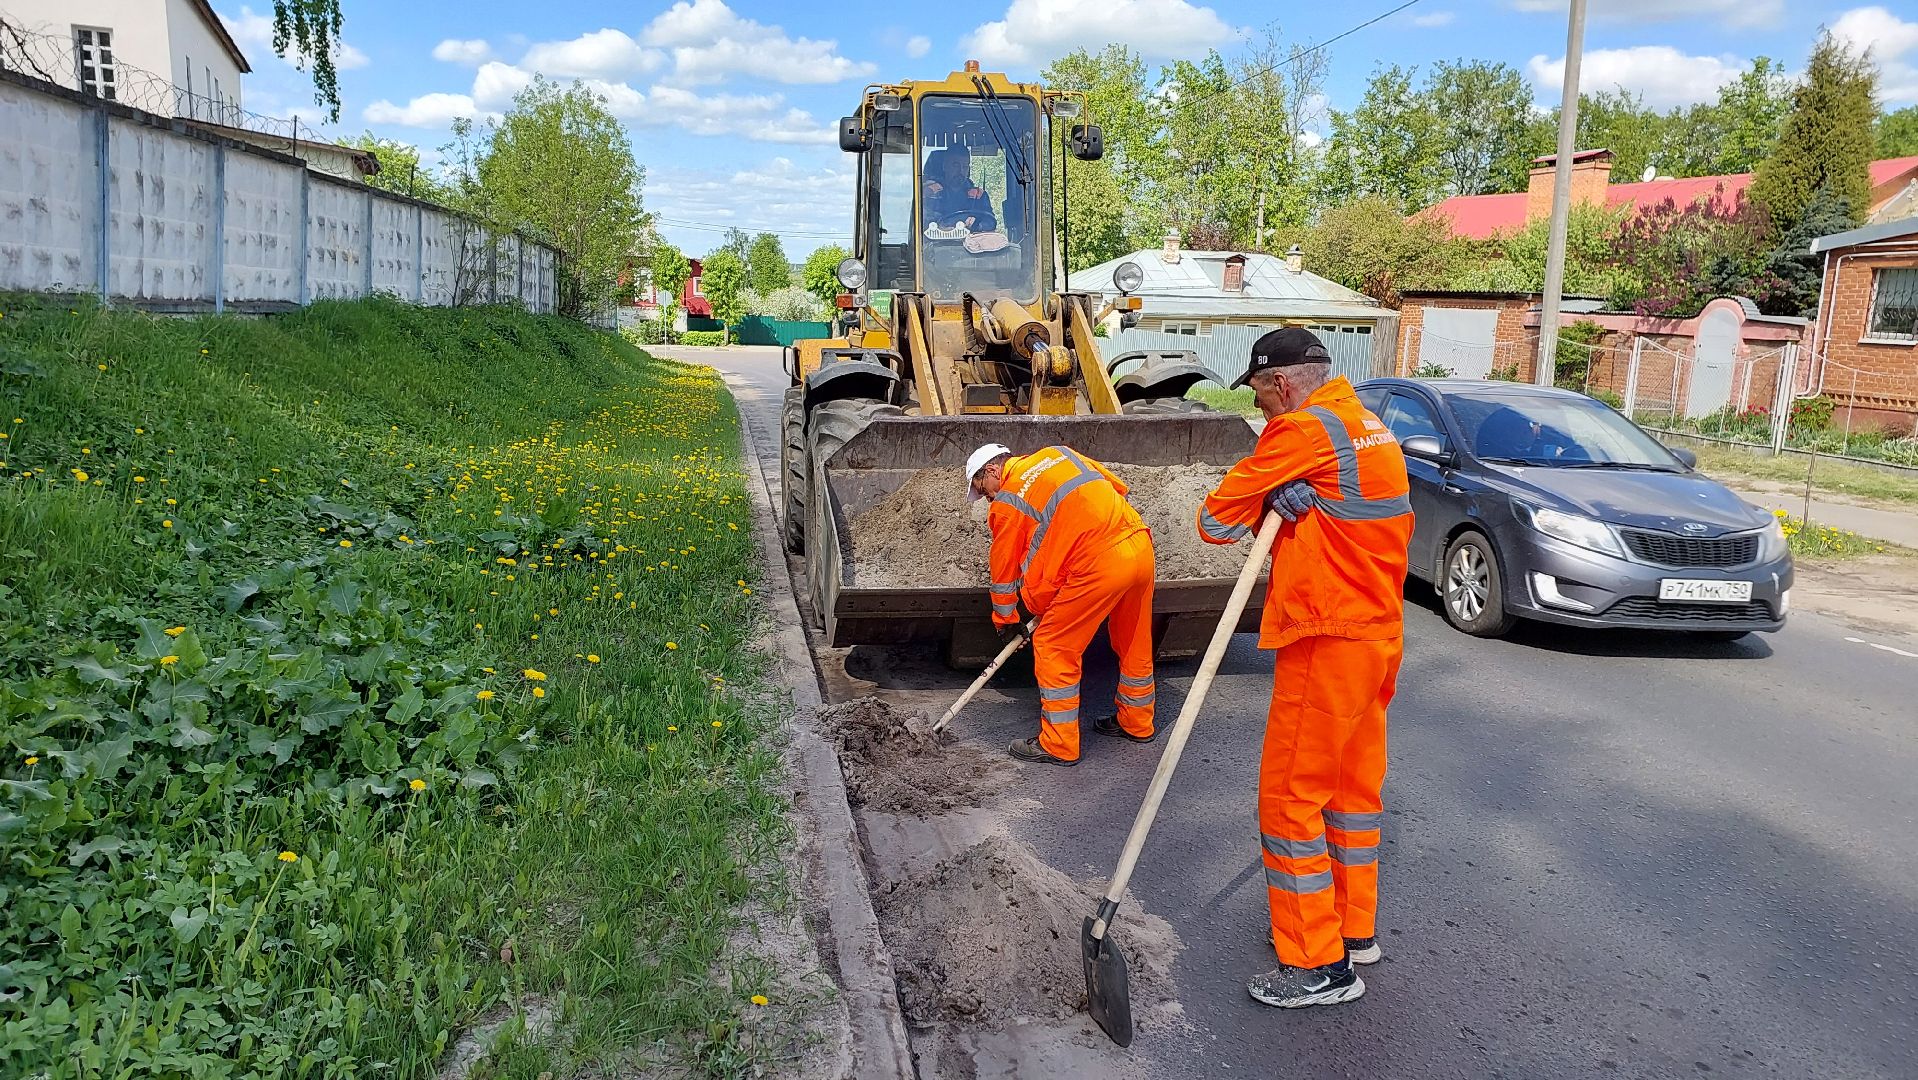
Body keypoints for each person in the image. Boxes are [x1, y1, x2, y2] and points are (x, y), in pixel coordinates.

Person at [1195, 327, 1413, 1010]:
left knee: (1289, 801)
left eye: (1259, 394)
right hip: (1377, 633)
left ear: (1282, 383)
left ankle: (1317, 965)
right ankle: (1352, 934)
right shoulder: (1367, 425)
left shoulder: (1297, 432)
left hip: (1327, 633)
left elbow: (1213, 522)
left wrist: (1262, 498)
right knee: (1350, 798)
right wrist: (1279, 499)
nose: (1260, 410)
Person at [966, 441, 1156, 765]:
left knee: (1053, 645)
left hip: (1099, 564)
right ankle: (1137, 722)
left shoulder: (1008, 502)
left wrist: (1006, 619)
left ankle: (1058, 743)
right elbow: (1117, 487)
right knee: (1134, 640)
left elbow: (1003, 569)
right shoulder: (1058, 453)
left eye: (984, 490)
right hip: (1138, 542)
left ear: (993, 470)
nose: (988, 499)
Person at [924, 149, 997, 233]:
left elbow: (991, 222)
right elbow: (921, 221)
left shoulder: (978, 195)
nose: (961, 171)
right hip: (933, 244)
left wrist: (977, 224)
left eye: (965, 167)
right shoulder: (930, 193)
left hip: (971, 244)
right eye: (956, 165)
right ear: (945, 166)